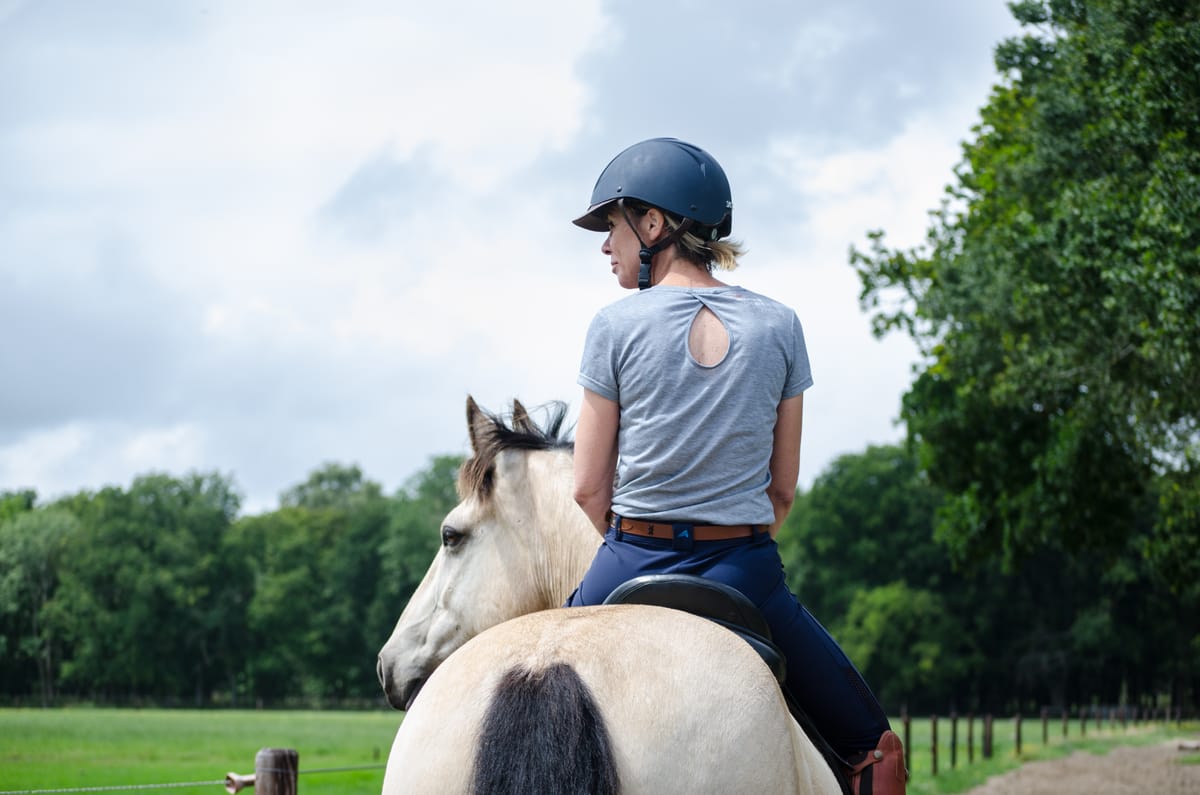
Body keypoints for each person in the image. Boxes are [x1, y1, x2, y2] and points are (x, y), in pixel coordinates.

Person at [566, 137, 907, 795]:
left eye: (613, 225)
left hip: (629, 559)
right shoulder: (781, 325)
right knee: (873, 744)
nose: (607, 245)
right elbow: (782, 488)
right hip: (743, 571)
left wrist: (642, 532)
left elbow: (586, 488)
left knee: (535, 681)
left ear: (655, 224)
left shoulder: (612, 327)